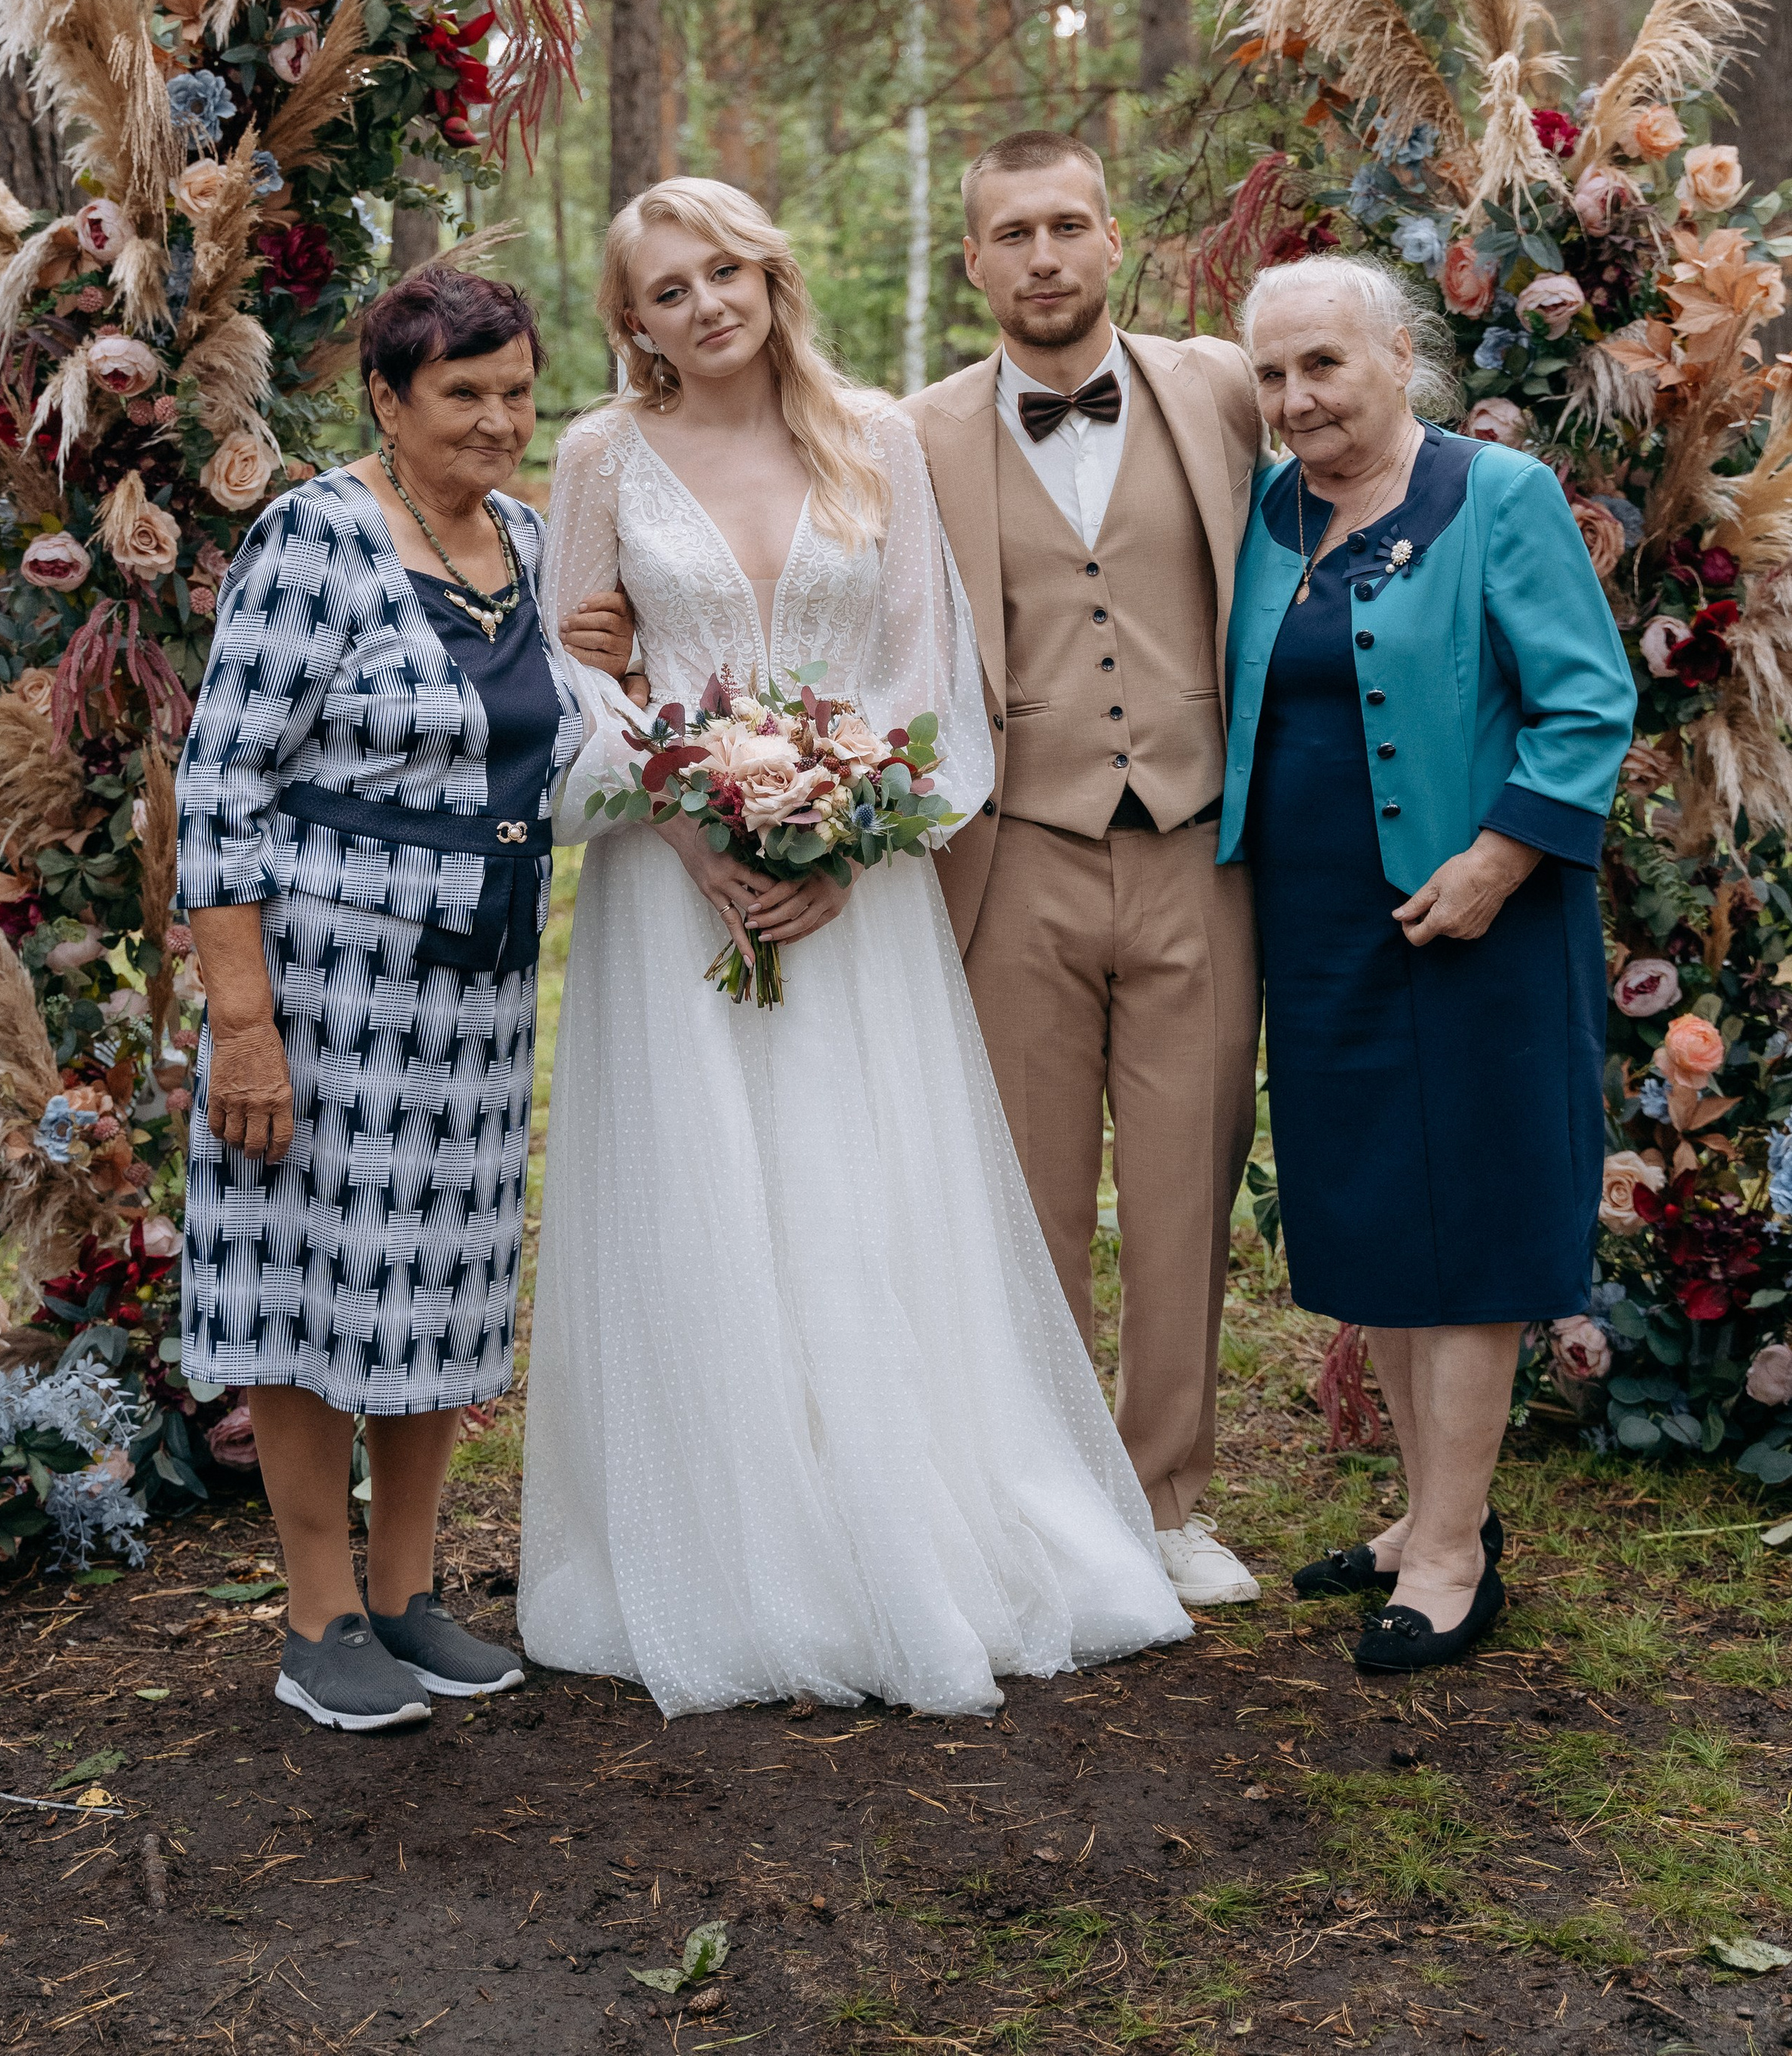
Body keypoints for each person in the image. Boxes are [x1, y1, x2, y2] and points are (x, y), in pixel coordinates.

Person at [519, 175, 1190, 1718]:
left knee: (862, 1186)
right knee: (704, 1194)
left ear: (770, 273)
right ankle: (730, 1539)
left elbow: (926, 666)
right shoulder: (599, 454)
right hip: (667, 881)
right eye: (668, 289)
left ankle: (909, 1521)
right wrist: (696, 834)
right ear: (632, 323)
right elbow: (575, 675)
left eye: (727, 270)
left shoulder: (872, 436)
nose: (706, 304)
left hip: (854, 884)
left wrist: (838, 840)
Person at [175, 264, 635, 1735]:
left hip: (478, 995)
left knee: (441, 1286)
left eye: (516, 392)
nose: (499, 422)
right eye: (463, 395)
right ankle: (317, 1616)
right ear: (385, 398)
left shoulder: (522, 540)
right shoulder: (313, 538)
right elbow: (222, 787)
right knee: (317, 1290)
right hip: (322, 990)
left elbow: (551, 742)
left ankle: (405, 1586)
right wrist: (241, 1022)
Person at [1222, 253, 1636, 1672]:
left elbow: (1587, 703)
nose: (1296, 398)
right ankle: (1419, 1514)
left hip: (1479, 922)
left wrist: (1500, 862)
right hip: (1323, 923)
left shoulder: (1494, 495)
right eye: (1272, 374)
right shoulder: (1271, 512)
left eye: (1324, 363)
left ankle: (1458, 1549)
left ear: (1402, 356)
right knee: (1382, 1225)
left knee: (1470, 1231)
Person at [904, 130, 1265, 1607]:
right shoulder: (909, 435)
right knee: (1028, 1198)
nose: (1042, 257)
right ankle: (1043, 1499)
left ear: (1115, 240)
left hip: (1200, 852)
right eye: (1012, 234)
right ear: (971, 262)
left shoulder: (1227, 390)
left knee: (1185, 1189)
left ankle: (1168, 1498)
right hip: (1013, 858)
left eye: (1067, 227)